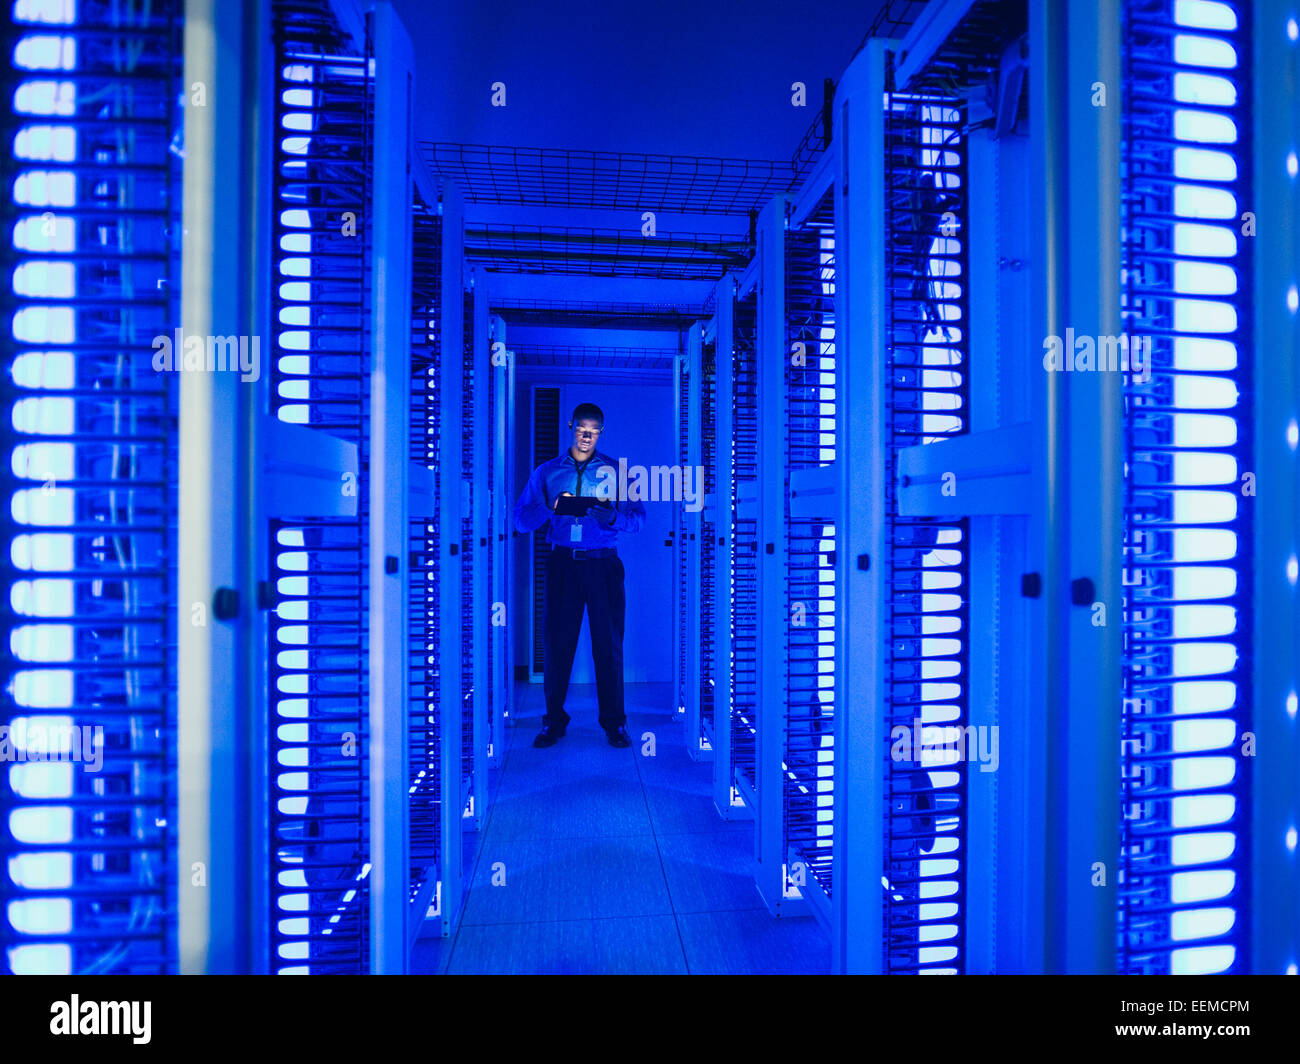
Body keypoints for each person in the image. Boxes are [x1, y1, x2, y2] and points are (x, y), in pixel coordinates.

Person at [512, 402, 646, 748]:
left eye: (594, 430)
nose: (587, 436)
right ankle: (553, 722)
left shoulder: (617, 472)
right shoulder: (547, 472)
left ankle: (614, 724)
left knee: (609, 645)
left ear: (602, 432)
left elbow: (639, 519)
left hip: (604, 566)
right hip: (563, 565)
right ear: (571, 427)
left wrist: (612, 518)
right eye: (581, 428)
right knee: (557, 645)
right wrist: (550, 507)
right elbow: (520, 520)